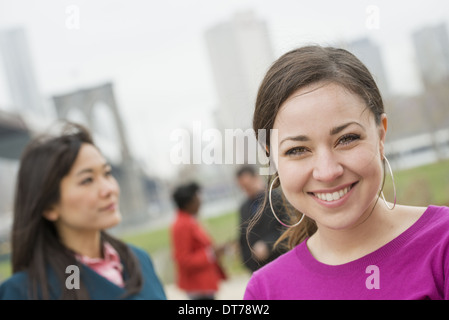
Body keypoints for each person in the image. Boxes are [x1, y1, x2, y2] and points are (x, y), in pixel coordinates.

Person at [244, 45, 449, 300]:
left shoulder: (443, 244)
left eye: (347, 138)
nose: (328, 171)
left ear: (381, 135)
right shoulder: (265, 291)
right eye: (297, 150)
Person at [0, 122, 166, 300]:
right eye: (87, 180)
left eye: (107, 173)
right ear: (49, 206)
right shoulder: (22, 293)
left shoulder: (139, 259)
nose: (108, 188)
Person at [170, 181, 227, 300]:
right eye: (197, 198)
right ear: (188, 203)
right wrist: (211, 254)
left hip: (204, 284)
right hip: (198, 286)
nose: (200, 201)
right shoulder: (182, 225)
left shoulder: (190, 220)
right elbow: (183, 259)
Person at [236, 165, 287, 272]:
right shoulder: (243, 208)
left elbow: (288, 229)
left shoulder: (276, 199)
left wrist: (268, 245)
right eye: (242, 187)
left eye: (247, 185)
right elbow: (243, 238)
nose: (246, 189)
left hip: (280, 261)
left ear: (256, 178)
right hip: (259, 269)